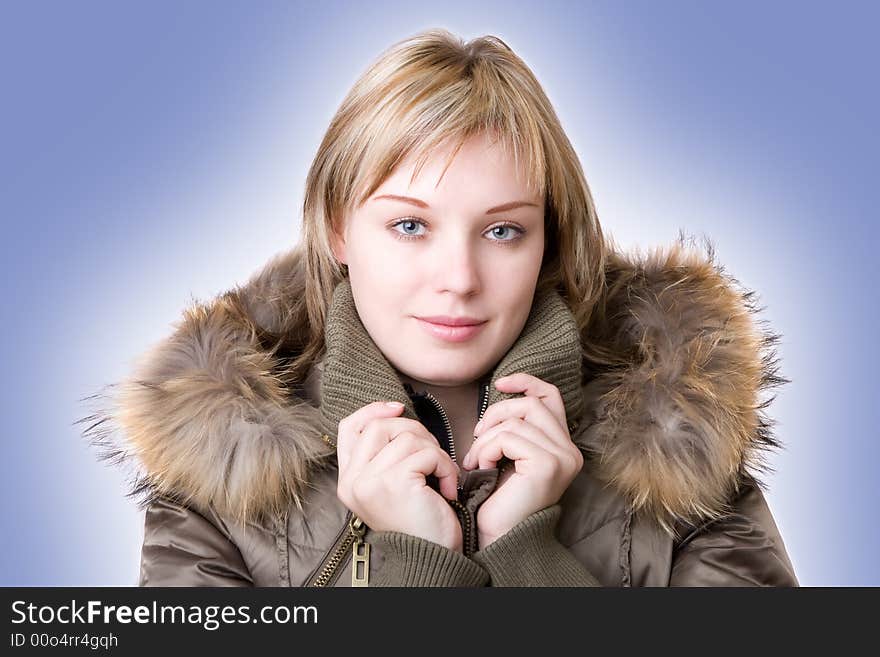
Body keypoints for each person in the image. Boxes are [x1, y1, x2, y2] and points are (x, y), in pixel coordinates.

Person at [80, 28, 798, 586]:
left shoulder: (683, 456)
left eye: (502, 230)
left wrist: (529, 560)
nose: (458, 277)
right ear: (337, 228)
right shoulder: (218, 481)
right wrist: (415, 570)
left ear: (548, 240)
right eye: (410, 225)